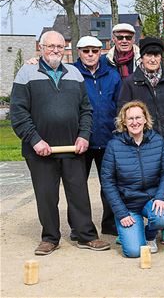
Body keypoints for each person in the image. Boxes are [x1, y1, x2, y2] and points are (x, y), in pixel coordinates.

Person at [10, 30, 110, 255]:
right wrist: (35, 141)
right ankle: (50, 237)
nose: (56, 50)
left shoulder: (74, 73)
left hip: (72, 148)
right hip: (40, 150)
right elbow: (17, 112)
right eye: (50, 46)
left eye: (60, 46)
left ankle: (86, 235)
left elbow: (86, 109)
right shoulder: (26, 73)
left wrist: (84, 135)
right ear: (41, 48)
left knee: (79, 193)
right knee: (46, 195)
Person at [118, 37, 164, 245]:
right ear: (142, 57)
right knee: (142, 183)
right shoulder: (131, 82)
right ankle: (139, 222)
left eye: (156, 55)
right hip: (143, 143)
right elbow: (123, 114)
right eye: (148, 54)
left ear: (161, 57)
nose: (152, 59)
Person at [100, 101, 164, 257]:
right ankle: (131, 231)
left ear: (146, 119)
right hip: (128, 205)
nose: (135, 122)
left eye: (138, 117)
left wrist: (161, 197)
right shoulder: (114, 146)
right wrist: (121, 213)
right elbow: (108, 183)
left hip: (152, 198)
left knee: (162, 217)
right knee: (134, 252)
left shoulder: (157, 141)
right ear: (124, 122)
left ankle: (150, 234)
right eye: (130, 119)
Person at [74, 36, 122, 236]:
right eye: (86, 51)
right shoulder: (71, 73)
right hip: (80, 140)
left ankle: (110, 224)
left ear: (101, 51)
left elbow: (119, 105)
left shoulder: (112, 74)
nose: (91, 54)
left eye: (95, 50)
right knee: (77, 187)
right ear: (79, 52)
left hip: (108, 139)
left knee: (109, 185)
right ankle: (79, 227)